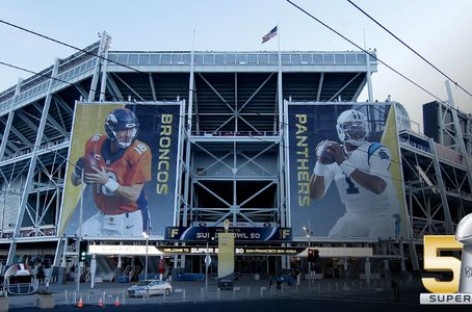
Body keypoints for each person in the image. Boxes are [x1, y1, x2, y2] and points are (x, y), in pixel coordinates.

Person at [309, 109, 400, 238]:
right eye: (351, 128)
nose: (357, 131)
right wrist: (320, 164)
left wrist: (343, 163)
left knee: (378, 252)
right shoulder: (334, 153)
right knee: (328, 250)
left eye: (359, 127)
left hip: (383, 214)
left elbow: (379, 186)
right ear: (340, 130)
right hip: (353, 215)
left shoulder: (376, 149)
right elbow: (315, 194)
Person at [71, 107, 152, 236]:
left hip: (131, 217)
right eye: (123, 130)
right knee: (78, 238)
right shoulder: (94, 143)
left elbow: (133, 195)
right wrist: (78, 171)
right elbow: (75, 181)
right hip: (103, 215)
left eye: (131, 130)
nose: (127, 135)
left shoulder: (140, 152)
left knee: (131, 254)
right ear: (110, 130)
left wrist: (105, 181)